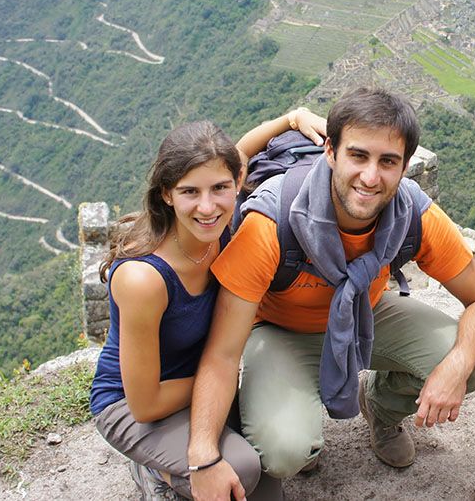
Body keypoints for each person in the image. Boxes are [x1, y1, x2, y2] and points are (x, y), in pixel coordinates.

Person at [187, 86, 475, 501]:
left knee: (474, 363)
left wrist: (456, 366)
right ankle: (290, 414)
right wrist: (202, 453)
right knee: (287, 452)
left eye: (388, 162)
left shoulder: (414, 216)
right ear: (330, 152)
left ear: (404, 168)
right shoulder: (272, 223)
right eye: (358, 156)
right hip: (280, 329)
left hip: (368, 313)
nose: (371, 177)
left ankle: (381, 408)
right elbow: (223, 352)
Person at [90, 108, 326, 500]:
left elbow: (240, 152)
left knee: (268, 478)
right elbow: (145, 403)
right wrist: (224, 379)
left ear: (237, 183)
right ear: (167, 194)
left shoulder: (226, 221)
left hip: (204, 381)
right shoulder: (144, 279)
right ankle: (157, 473)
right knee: (242, 470)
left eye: (220, 189)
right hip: (137, 404)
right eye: (189, 192)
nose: (207, 206)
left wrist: (292, 118)